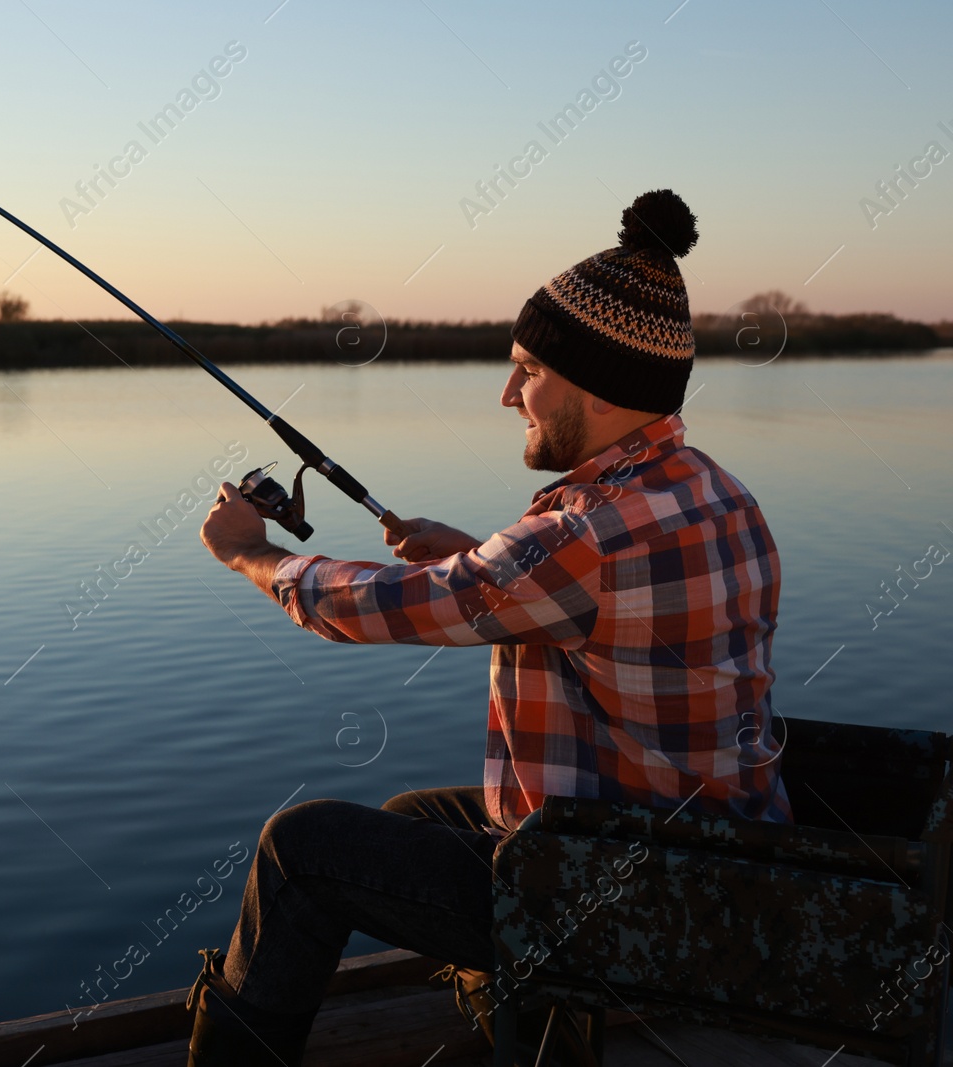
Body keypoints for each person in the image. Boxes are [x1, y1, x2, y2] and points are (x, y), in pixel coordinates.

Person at [186, 190, 791, 1066]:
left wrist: (255, 555)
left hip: (626, 888)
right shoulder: (714, 491)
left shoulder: (584, 534)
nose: (509, 394)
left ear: (602, 388)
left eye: (528, 371)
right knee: (407, 816)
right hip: (703, 849)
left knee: (303, 847)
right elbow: (608, 609)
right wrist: (473, 556)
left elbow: (387, 610)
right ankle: (519, 1002)